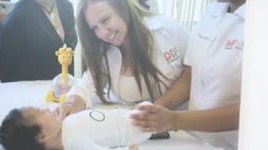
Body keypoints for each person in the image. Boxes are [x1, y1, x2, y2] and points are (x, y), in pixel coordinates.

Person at [130, 0, 246, 150]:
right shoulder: (212, 11)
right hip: (195, 142)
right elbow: (189, 77)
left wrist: (174, 120)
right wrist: (152, 111)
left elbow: (249, 111)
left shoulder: (266, 23)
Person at [58, 0, 188, 116]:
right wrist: (70, 105)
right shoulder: (105, 52)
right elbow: (85, 86)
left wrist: (155, 108)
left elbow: (190, 75)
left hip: (180, 124)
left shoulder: (167, 30)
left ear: (122, 7)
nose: (102, 33)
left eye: (105, 20)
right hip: (136, 126)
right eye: (95, 28)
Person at [0, 105, 148, 150]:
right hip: (135, 128)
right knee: (151, 111)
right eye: (41, 113)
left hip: (124, 115)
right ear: (42, 136)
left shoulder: (61, 127)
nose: (46, 109)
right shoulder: (72, 142)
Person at [0, 0, 78, 83]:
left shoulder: (66, 6)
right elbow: (5, 68)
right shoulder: (17, 15)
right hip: (35, 87)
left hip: (65, 85)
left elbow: (70, 43)